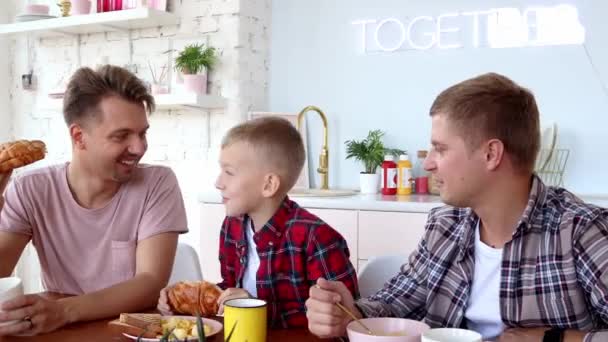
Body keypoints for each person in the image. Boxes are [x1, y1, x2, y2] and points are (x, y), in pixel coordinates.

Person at [306, 73, 608, 342]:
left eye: (440, 148)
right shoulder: (445, 225)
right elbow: (395, 302)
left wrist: (554, 339)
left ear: (491, 154)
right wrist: (350, 313)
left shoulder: (581, 231)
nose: (428, 163)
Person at [0, 65, 188, 336]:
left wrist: (63, 311)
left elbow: (150, 283)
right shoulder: (30, 189)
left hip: (131, 333)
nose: (139, 148)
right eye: (121, 136)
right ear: (79, 137)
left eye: (142, 133)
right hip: (63, 334)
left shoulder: (157, 183)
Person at [158, 116, 359, 328]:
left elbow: (343, 320)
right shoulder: (232, 227)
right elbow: (230, 291)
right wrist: (184, 302)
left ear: (269, 184)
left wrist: (252, 307)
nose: (218, 183)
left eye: (229, 172)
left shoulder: (317, 239)